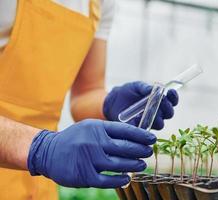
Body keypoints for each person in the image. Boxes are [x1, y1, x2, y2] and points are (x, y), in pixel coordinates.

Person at [0, 0, 179, 200]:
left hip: (40, 179)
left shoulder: (101, 4)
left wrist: (109, 104)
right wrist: (41, 148)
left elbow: (87, 92)